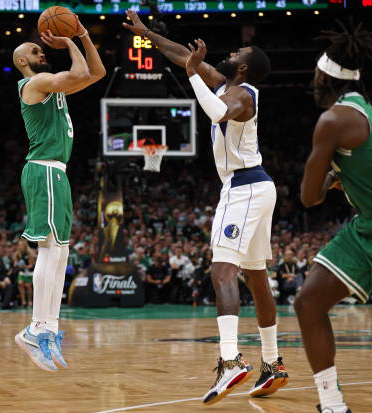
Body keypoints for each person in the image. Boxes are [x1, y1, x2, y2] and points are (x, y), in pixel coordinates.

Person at [123, 10, 288, 403]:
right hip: (257, 187)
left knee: (222, 271)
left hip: (244, 188)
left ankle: (231, 361)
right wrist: (148, 34)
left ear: (243, 66)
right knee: (256, 277)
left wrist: (194, 74)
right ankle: (272, 363)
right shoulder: (226, 83)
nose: (230, 52)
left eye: (238, 51)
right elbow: (183, 54)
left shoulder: (243, 96)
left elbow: (215, 111)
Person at [294, 25, 372, 413]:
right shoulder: (369, 112)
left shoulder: (333, 121)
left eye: (315, 77)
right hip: (367, 226)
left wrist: (331, 178)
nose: (312, 83)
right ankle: (331, 404)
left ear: (325, 79)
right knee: (308, 302)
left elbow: (308, 197)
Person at [12, 16, 105, 372]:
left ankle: (48, 327)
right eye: (35, 50)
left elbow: (95, 72)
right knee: (49, 250)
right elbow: (80, 73)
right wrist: (68, 43)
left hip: (57, 173)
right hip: (44, 169)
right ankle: (35, 328)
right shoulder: (33, 84)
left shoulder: (54, 87)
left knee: (61, 252)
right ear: (23, 62)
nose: (41, 51)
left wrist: (82, 33)